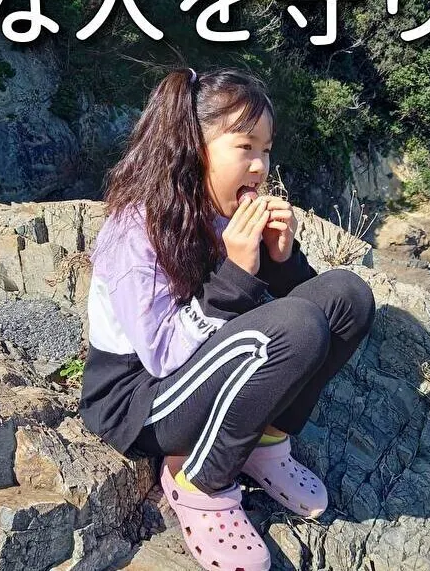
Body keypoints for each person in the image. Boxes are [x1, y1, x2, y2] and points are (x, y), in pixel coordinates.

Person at [78, 68, 375, 571]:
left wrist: (282, 260)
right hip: (138, 401)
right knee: (295, 326)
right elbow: (162, 356)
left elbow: (303, 316)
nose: (260, 166)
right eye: (245, 147)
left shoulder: (224, 214)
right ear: (194, 148)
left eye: (267, 149)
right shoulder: (135, 231)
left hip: (204, 375)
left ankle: (264, 442)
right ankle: (199, 480)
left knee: (348, 296)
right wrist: (236, 272)